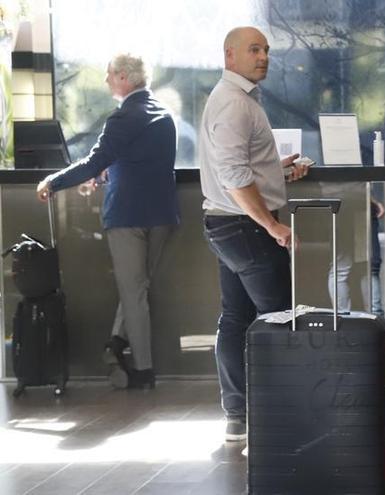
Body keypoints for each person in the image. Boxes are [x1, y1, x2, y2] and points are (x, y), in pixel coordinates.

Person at [36, 53, 179, 390]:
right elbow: (136, 162)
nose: (105, 80)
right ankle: (116, 341)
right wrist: (103, 177)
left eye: (109, 74)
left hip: (128, 216)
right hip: (162, 214)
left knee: (133, 292)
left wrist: (53, 182)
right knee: (139, 288)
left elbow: (93, 161)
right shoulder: (163, 115)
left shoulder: (123, 117)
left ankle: (144, 371)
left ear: (124, 78)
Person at [198, 26, 310, 442]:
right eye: (253, 50)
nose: (263, 56)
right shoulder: (233, 104)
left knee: (237, 318)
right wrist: (272, 224)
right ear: (230, 56)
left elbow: (237, 168)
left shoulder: (237, 100)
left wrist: (276, 170)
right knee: (279, 318)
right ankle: (281, 414)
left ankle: (239, 415)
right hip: (243, 227)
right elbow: (231, 175)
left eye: (265, 49)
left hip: (230, 224)